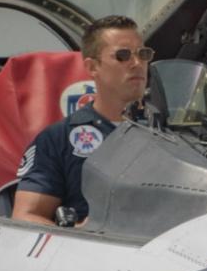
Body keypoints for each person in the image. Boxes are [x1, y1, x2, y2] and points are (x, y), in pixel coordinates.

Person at [11, 15, 151, 225]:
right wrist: (75, 235)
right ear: (92, 67)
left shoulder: (172, 133)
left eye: (143, 54)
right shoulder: (58, 139)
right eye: (123, 56)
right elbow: (26, 216)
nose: (137, 63)